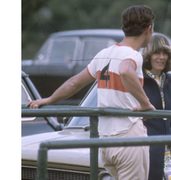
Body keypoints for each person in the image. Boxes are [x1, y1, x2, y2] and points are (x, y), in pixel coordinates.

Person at [27, 5, 156, 180]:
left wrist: (49, 99)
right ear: (149, 29)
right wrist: (146, 104)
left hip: (104, 141)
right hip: (128, 136)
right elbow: (125, 70)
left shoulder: (104, 53)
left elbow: (74, 82)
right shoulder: (133, 55)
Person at [142, 34, 171, 180]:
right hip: (148, 151)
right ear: (148, 55)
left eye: (165, 53)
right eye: (157, 53)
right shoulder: (139, 80)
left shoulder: (170, 80)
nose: (161, 57)